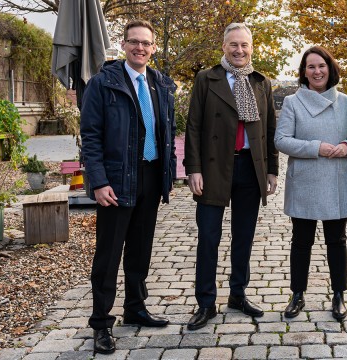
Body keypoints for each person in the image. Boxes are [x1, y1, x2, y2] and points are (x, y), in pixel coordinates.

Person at [80, 19, 177, 354]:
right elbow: (89, 138)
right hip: (117, 179)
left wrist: (168, 174)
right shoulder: (103, 83)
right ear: (123, 45)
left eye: (146, 43)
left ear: (153, 47)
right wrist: (98, 181)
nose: (140, 48)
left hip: (150, 176)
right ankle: (101, 322)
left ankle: (135, 307)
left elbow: (167, 132)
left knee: (140, 248)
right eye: (134, 42)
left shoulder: (161, 83)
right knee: (109, 253)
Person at [183, 22, 278, 330]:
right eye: (233, 45)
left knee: (244, 237)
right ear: (223, 47)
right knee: (209, 237)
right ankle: (206, 302)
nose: (239, 50)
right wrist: (193, 168)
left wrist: (272, 169)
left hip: (251, 168)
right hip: (213, 168)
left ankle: (238, 294)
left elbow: (269, 131)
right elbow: (194, 126)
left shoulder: (261, 83)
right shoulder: (205, 79)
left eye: (245, 45)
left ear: (252, 49)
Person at [274, 46, 347, 321]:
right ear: (304, 72)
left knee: (337, 241)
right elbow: (281, 140)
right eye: (311, 67)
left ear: (330, 68)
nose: (317, 71)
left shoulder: (346, 102)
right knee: (301, 242)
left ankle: (338, 294)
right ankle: (297, 294)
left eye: (321, 65)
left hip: (336, 179)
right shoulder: (292, 102)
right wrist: (316, 147)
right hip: (305, 181)